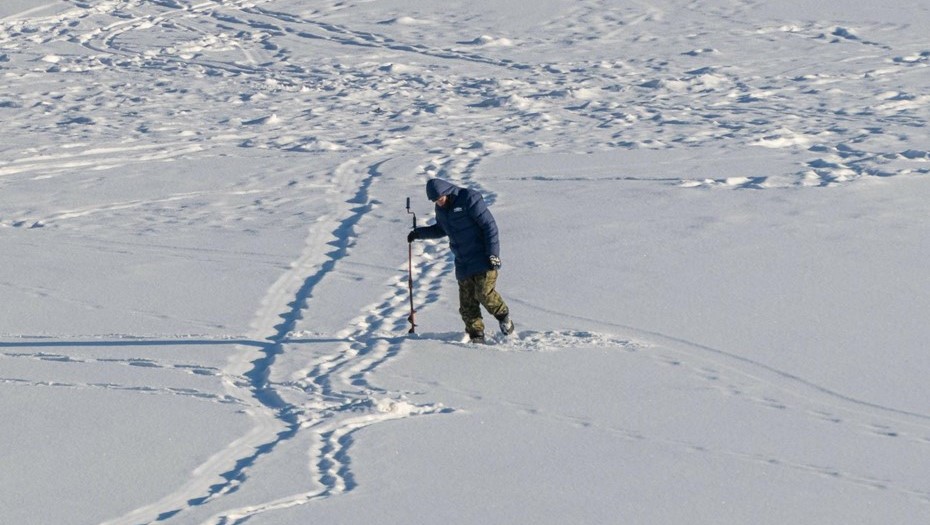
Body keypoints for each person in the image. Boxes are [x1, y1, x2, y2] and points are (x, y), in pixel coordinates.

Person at [407, 178, 515, 343]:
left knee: (484, 293)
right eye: (435, 201)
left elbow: (489, 226)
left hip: (483, 257)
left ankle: (504, 318)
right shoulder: (441, 209)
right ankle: (476, 336)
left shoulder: (468, 199)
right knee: (467, 305)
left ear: (446, 191)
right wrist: (419, 233)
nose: (439, 202)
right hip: (463, 262)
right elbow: (441, 229)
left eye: (440, 198)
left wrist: (493, 253)